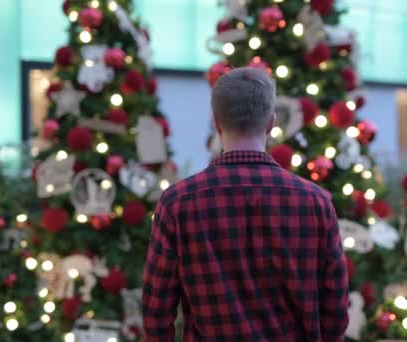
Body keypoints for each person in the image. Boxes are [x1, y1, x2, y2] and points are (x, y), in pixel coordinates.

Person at [142, 67, 349, 341]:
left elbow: (156, 314)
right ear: (271, 123)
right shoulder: (315, 202)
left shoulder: (177, 203)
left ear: (217, 123)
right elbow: (335, 313)